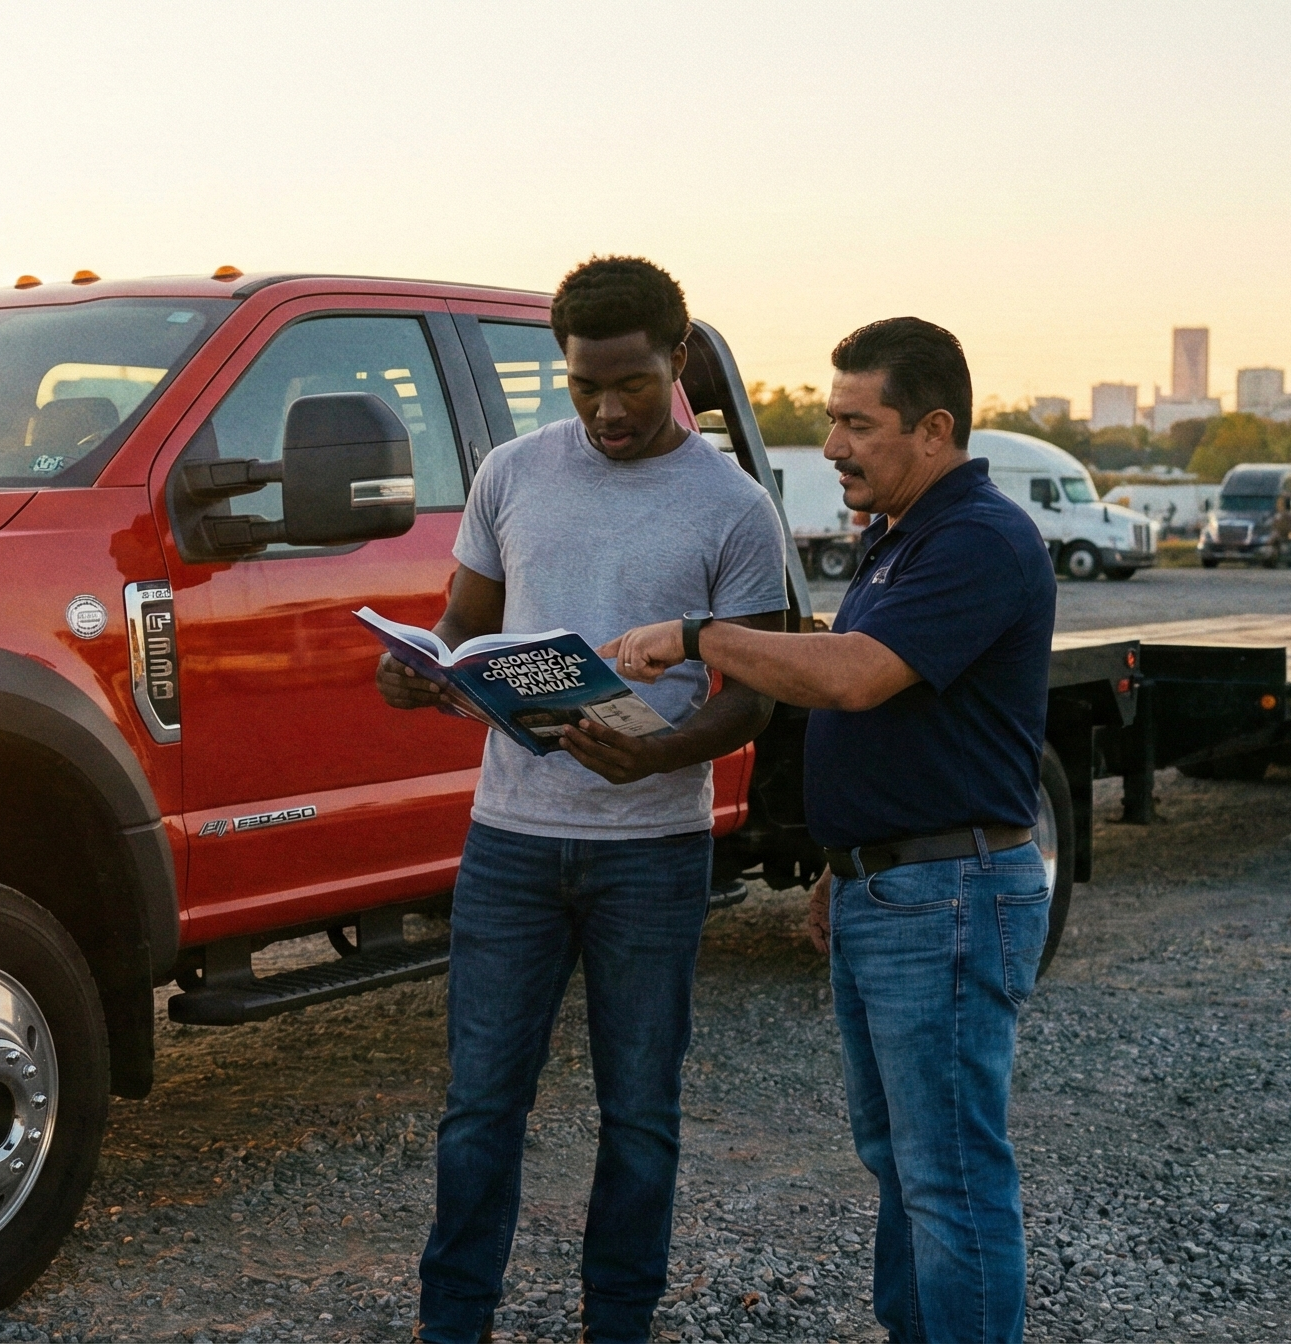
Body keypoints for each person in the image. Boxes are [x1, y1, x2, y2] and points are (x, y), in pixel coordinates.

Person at [604, 317, 1054, 1344]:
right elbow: (904, 719)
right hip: (894, 889)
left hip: (946, 898)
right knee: (903, 1160)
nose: (834, 447)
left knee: (949, 1175)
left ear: (934, 428)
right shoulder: (906, 536)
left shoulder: (978, 539)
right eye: (830, 421)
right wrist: (843, 868)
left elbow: (855, 678)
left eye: (857, 423)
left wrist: (699, 635)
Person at [376, 256, 789, 1344]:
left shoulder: (736, 509)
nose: (607, 410)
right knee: (478, 1113)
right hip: (509, 843)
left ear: (678, 358)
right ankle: (453, 1325)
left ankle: (620, 1324)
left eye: (633, 385)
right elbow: (465, 633)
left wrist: (659, 757)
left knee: (640, 1116)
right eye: (584, 386)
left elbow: (751, 700)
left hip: (651, 852)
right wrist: (422, 674)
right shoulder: (512, 473)